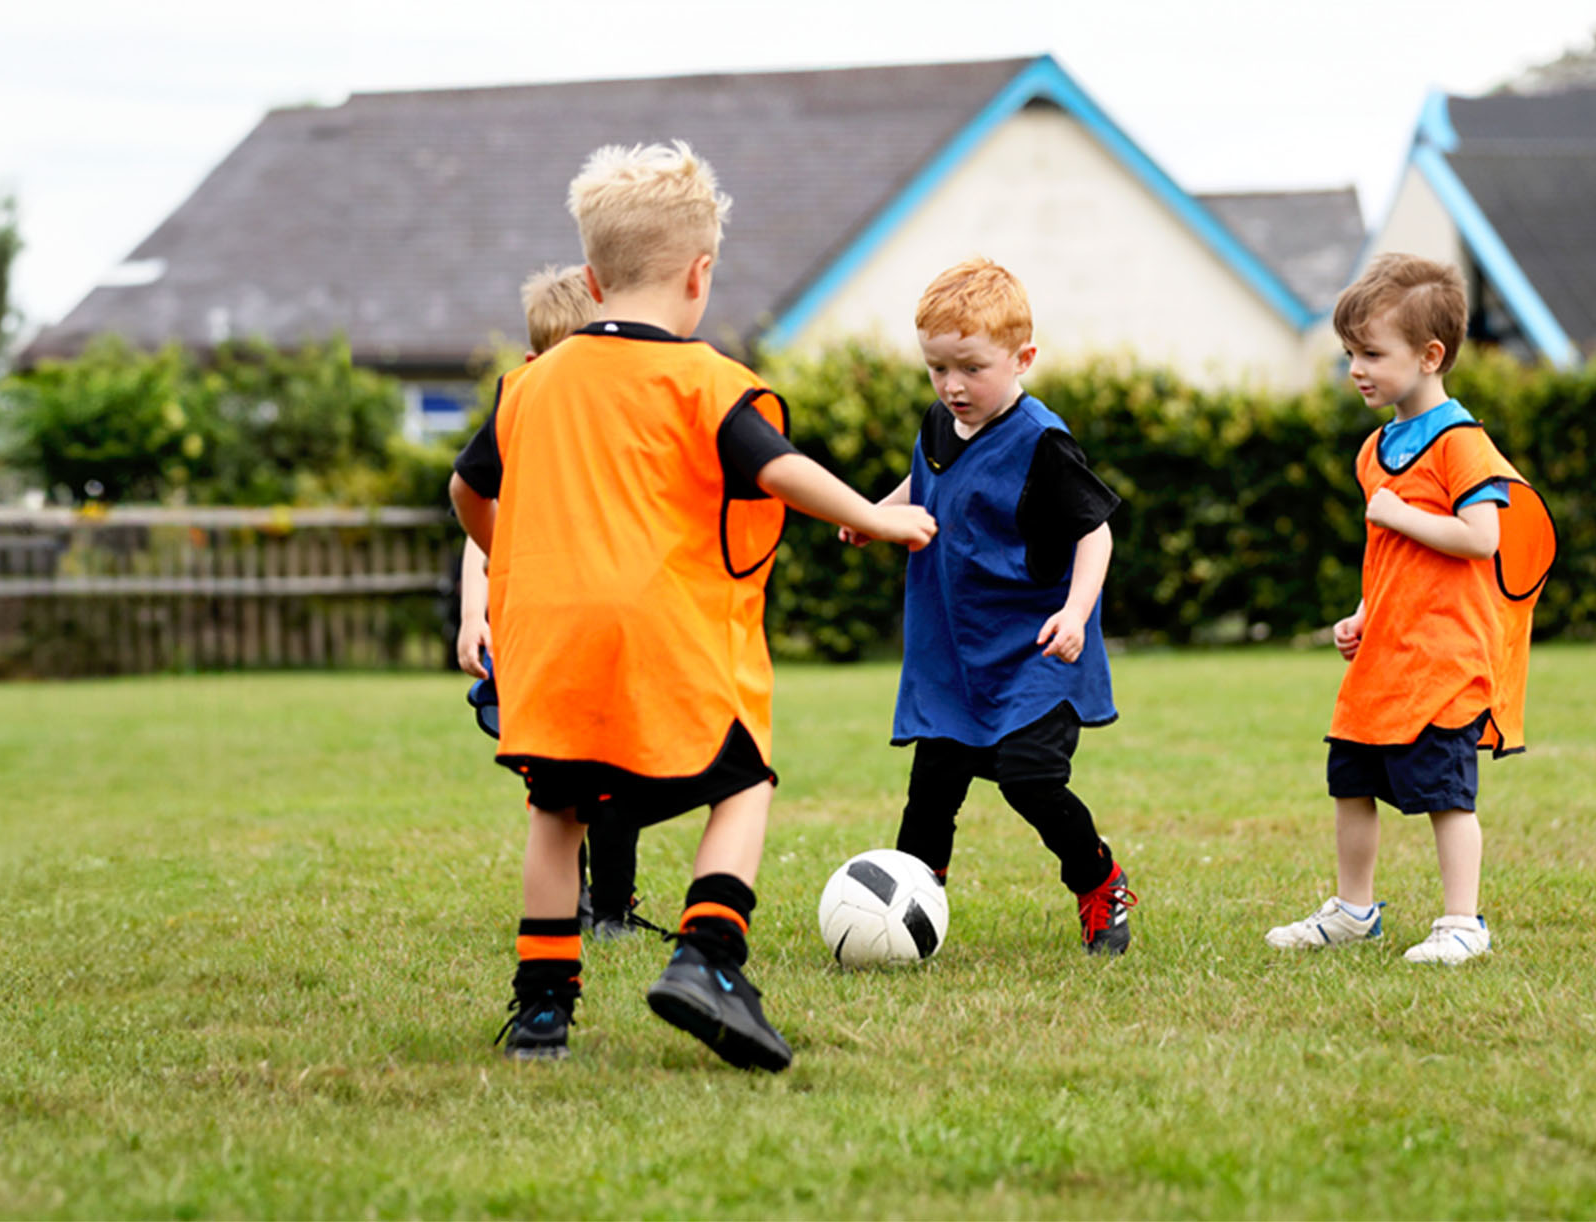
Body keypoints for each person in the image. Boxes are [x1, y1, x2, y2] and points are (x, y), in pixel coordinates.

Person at [451, 142, 936, 1067]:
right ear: (700, 274)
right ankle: (709, 959)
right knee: (741, 780)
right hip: (660, 637)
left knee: (556, 812)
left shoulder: (529, 387)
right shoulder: (702, 380)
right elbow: (777, 470)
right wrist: (874, 516)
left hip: (549, 640)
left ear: (591, 279)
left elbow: (468, 490)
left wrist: (505, 551)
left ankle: (543, 1012)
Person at [844, 258, 1136, 955]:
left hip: (1035, 649)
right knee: (932, 791)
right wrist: (874, 516)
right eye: (936, 368)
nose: (951, 386)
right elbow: (921, 486)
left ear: (1022, 358)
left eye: (970, 368)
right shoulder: (942, 425)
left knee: (1029, 777)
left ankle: (1100, 881)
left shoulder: (1042, 442)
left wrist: (1075, 612)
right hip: (956, 654)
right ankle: (911, 908)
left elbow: (1095, 531)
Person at [1265, 253, 1545, 966]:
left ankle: (1463, 924)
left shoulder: (1462, 445)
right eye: (1350, 353)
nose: (1355, 368)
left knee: (1448, 795)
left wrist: (1399, 513)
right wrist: (1362, 611)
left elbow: (1481, 539)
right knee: (1351, 783)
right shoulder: (1377, 449)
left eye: (1370, 354)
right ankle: (1354, 911)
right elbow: (1392, 559)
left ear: (1430, 356)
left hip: (1446, 660)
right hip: (1387, 656)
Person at [458, 265, 654, 941]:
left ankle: (613, 906)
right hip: (541, 641)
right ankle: (564, 901)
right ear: (535, 364)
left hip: (606, 637)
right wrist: (473, 614)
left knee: (616, 784)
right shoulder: (525, 422)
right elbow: (481, 520)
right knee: (558, 789)